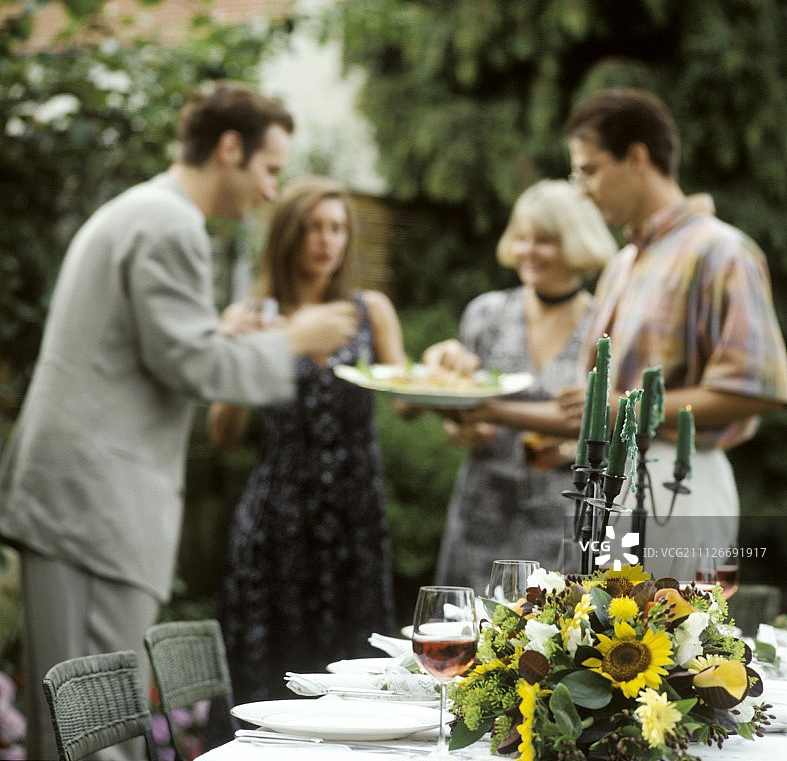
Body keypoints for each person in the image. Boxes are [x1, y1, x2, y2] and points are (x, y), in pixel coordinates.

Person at [0, 81, 359, 760]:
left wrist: (226, 333)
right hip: (90, 512)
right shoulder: (170, 225)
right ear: (229, 148)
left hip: (84, 505)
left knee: (97, 724)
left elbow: (161, 349)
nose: (269, 191)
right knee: (92, 733)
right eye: (267, 169)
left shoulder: (142, 212)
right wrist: (294, 340)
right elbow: (193, 368)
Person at [561, 87, 787, 578]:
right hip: (606, 484)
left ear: (637, 157)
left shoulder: (722, 250)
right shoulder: (622, 263)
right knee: (602, 651)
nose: (581, 188)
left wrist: (626, 407)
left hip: (680, 488)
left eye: (589, 169)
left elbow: (761, 389)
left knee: (676, 650)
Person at [208, 176, 407, 702]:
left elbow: (408, 400)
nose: (327, 240)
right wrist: (242, 355)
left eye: (337, 228)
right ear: (288, 236)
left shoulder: (370, 311)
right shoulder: (253, 317)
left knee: (361, 678)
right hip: (278, 521)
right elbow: (222, 435)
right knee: (270, 679)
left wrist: (451, 361)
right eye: (314, 227)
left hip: (355, 518)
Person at [425, 180, 617, 593]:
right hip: (481, 514)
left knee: (550, 643)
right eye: (522, 237)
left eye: (544, 240)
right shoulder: (486, 314)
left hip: (563, 517)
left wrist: (566, 448)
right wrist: (461, 430)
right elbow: (456, 413)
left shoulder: (603, 326)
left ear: (575, 243)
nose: (528, 250)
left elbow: (608, 423)